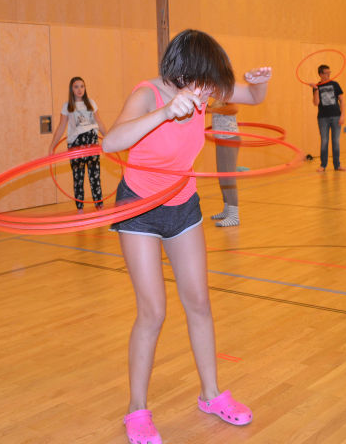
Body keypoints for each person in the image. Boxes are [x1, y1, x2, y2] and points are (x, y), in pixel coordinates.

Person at [102, 29, 270, 444]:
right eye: (206, 84)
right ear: (182, 73)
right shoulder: (148, 95)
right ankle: (136, 410)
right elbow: (111, 142)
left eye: (215, 86)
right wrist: (164, 113)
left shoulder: (203, 93)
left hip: (184, 205)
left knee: (199, 301)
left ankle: (211, 394)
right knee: (153, 311)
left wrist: (260, 80)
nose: (212, 94)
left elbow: (253, 97)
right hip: (139, 208)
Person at [48, 77, 108, 212]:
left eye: (82, 86)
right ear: (71, 89)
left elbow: (100, 122)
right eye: (76, 87)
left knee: (95, 176)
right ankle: (80, 209)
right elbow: (61, 127)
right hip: (76, 143)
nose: (79, 89)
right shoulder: (67, 106)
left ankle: (99, 206)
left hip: (91, 141)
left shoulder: (91, 103)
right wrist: (52, 146)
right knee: (78, 177)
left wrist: (109, 139)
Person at [207, 100, 241, 227]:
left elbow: (234, 109)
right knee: (222, 177)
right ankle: (227, 210)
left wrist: (212, 110)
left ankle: (234, 216)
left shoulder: (227, 94)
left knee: (228, 178)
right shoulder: (218, 98)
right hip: (221, 139)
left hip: (229, 139)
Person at [310, 64, 345, 172]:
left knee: (336, 141)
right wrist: (315, 90)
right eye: (326, 73)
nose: (329, 74)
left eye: (330, 72)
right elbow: (316, 103)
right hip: (323, 118)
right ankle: (323, 165)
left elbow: (342, 100)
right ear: (320, 74)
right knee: (324, 141)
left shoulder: (335, 84)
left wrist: (342, 115)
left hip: (336, 116)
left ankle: (337, 165)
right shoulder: (317, 86)